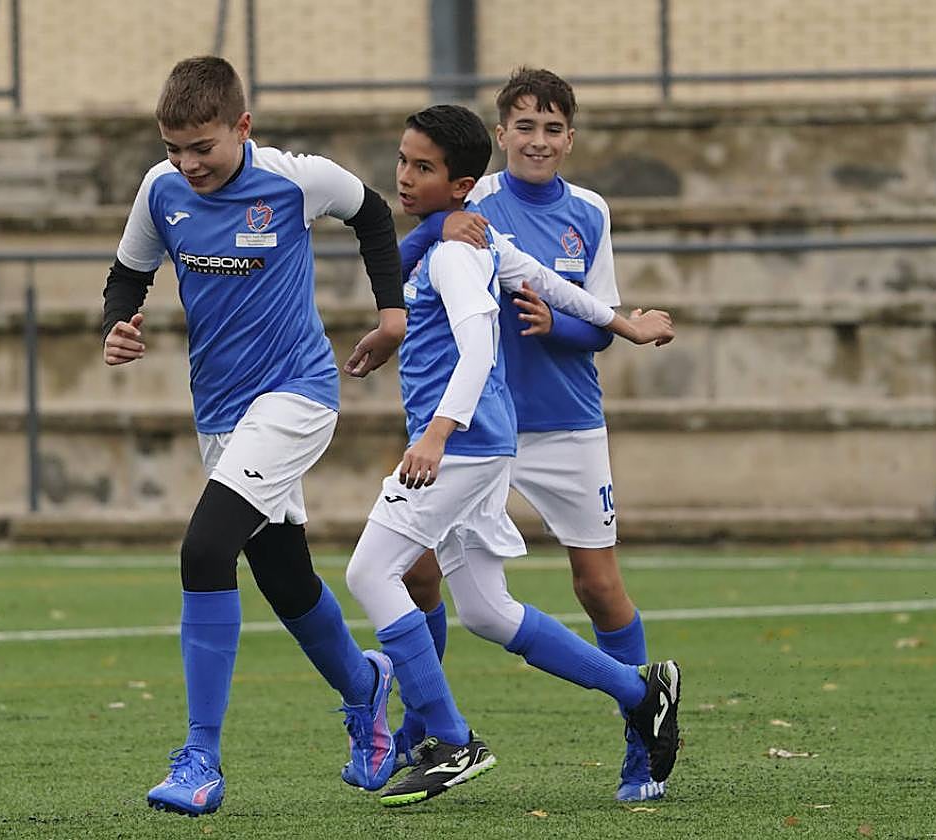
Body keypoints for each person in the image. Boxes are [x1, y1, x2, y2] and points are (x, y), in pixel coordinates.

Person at [342, 103, 680, 808]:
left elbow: (479, 348)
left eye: (423, 168)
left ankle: (449, 737)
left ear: (464, 183)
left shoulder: (461, 250)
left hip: (465, 445)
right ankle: (639, 691)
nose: (405, 177)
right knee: (489, 613)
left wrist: (436, 433)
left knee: (372, 572)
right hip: (487, 444)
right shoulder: (462, 236)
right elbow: (549, 282)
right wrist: (624, 323)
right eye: (403, 161)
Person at [101, 56, 407, 816]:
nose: (186, 163)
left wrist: (393, 313)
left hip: (298, 397)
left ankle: (199, 757)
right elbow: (127, 273)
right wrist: (117, 323)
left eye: (202, 146)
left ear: (243, 127)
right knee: (284, 578)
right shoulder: (159, 189)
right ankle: (366, 689)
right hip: (222, 414)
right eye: (173, 147)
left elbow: (372, 212)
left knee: (205, 549)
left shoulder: (294, 181)